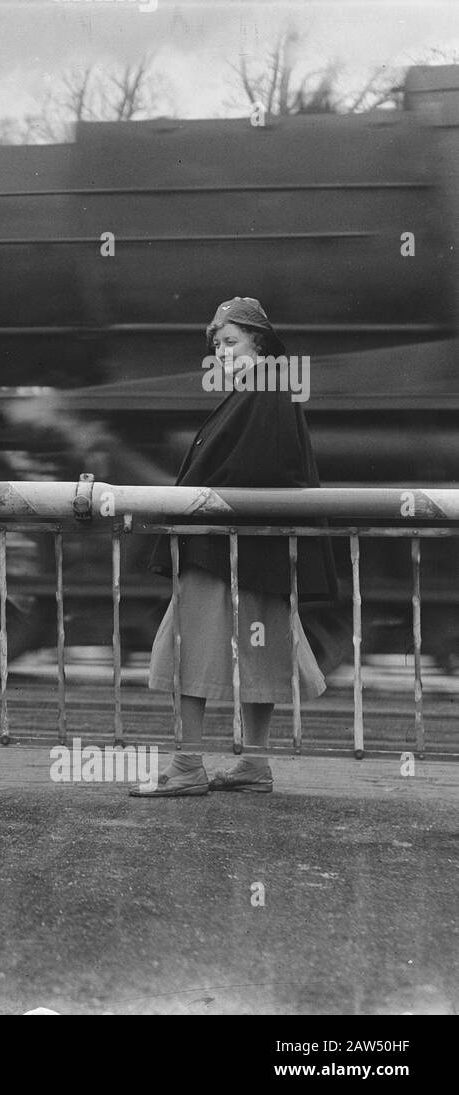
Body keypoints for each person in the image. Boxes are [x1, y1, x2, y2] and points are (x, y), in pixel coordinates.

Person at [134, 298, 338, 797]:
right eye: (217, 346)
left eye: (231, 342)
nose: (221, 354)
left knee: (189, 649)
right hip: (257, 552)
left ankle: (186, 767)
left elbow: (254, 468)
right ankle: (254, 765)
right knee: (258, 651)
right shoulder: (268, 387)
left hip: (222, 549)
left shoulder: (263, 388)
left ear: (260, 343)